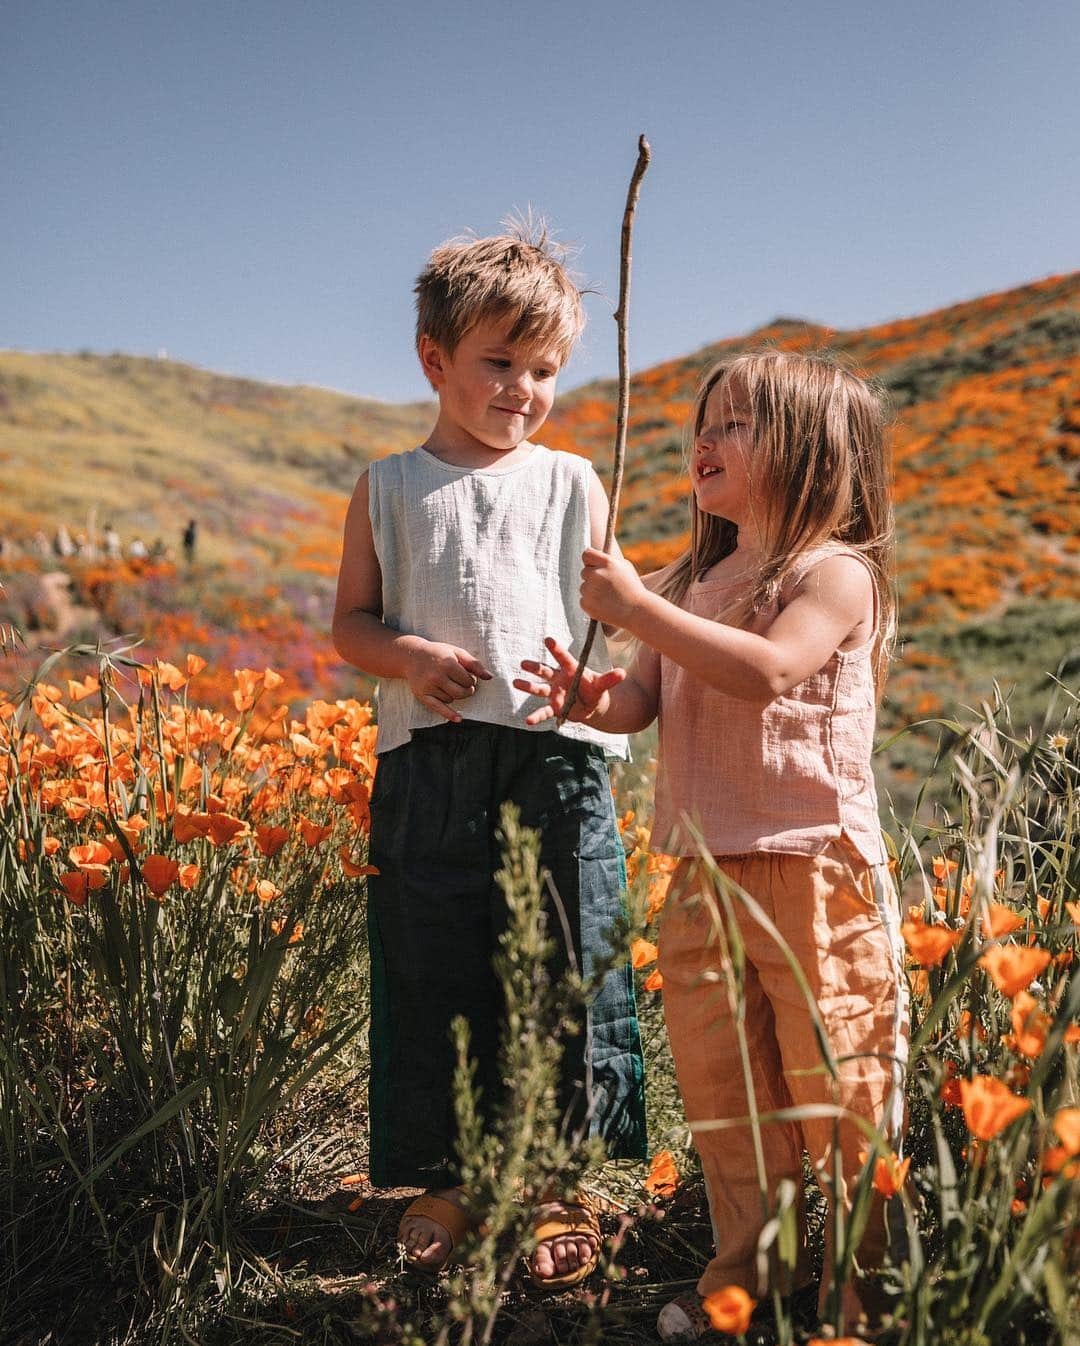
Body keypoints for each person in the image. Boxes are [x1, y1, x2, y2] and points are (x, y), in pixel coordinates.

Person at [515, 350, 907, 1336]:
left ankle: (863, 1290)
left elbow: (770, 669)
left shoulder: (833, 573)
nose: (706, 441)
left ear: (815, 450)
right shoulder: (694, 573)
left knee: (843, 1087)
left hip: (812, 864)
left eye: (735, 424)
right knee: (728, 1089)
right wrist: (600, 696)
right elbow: (650, 694)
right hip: (700, 864)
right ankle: (752, 1268)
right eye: (707, 423)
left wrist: (640, 608)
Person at [331, 223, 647, 1286]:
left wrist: (604, 683)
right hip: (430, 757)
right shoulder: (386, 485)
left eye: (545, 368)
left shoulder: (570, 482)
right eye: (498, 362)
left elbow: (616, 610)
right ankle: (453, 1177)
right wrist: (406, 654)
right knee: (434, 959)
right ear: (435, 358)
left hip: (554, 758)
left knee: (567, 955)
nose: (523, 388)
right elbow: (352, 626)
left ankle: (557, 1176)